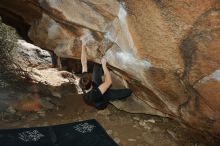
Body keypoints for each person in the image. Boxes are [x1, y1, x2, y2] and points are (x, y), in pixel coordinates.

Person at [79, 43, 132, 110]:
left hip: (96, 88)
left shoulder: (83, 81)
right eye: (90, 78)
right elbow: (108, 82)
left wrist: (83, 45)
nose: (91, 76)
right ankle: (125, 93)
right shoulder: (93, 95)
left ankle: (100, 69)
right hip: (102, 99)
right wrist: (104, 66)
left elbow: (83, 62)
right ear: (90, 83)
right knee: (127, 92)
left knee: (96, 67)